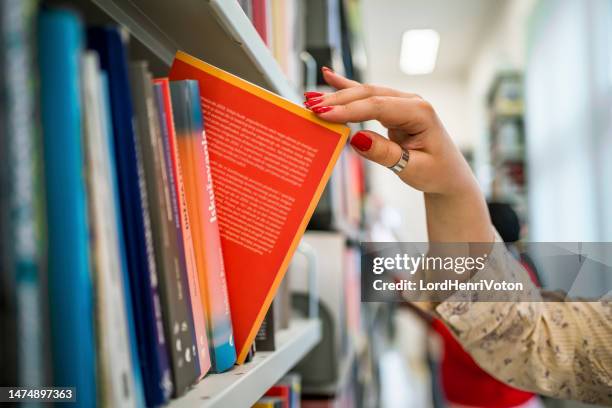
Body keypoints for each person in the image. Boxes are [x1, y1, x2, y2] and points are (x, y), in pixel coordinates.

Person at [304, 67, 612, 405]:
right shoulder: (525, 277)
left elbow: (491, 333)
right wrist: (452, 191)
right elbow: (531, 335)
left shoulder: (517, 277)